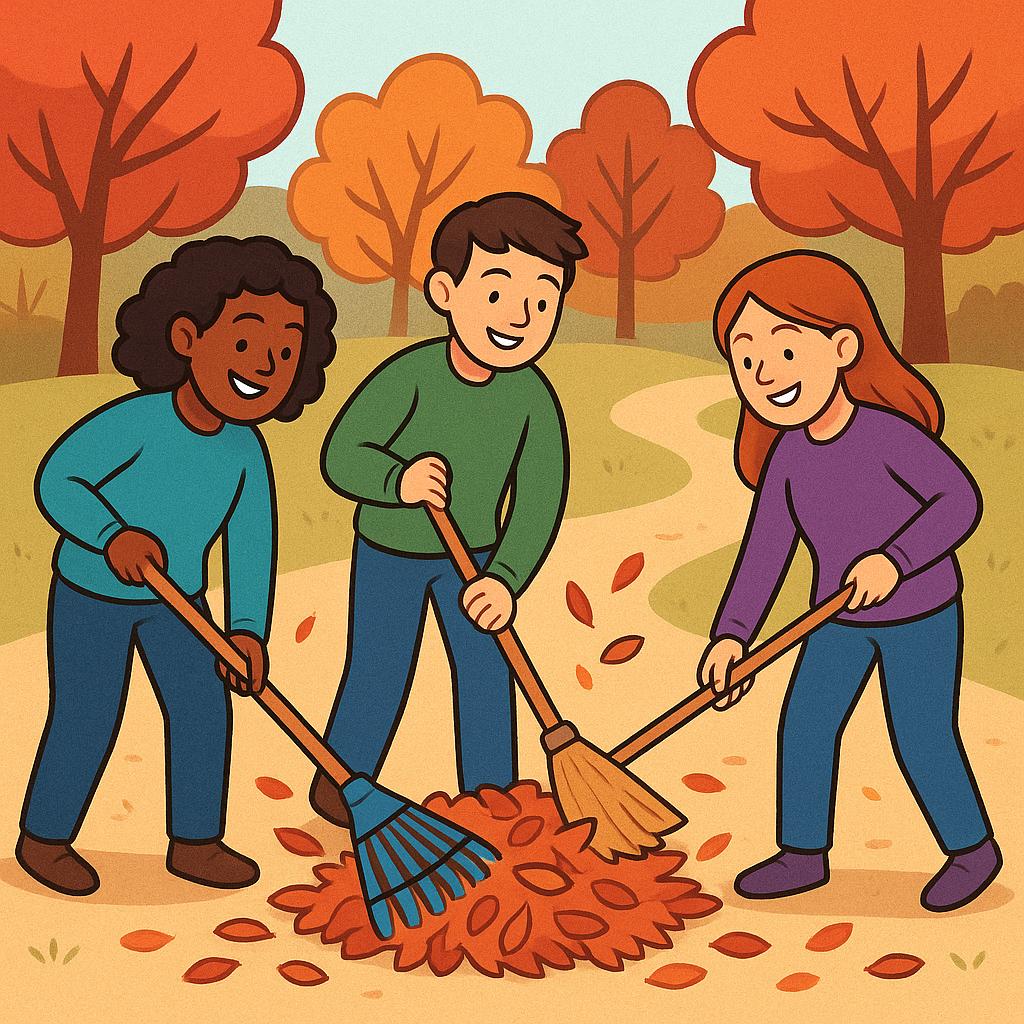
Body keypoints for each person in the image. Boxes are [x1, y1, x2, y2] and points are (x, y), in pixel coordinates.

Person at [18, 236, 337, 896]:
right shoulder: (138, 421)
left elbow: (252, 547)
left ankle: (196, 842)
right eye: (247, 343)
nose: (265, 365)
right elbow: (59, 479)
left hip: (181, 605)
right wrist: (111, 535)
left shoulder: (246, 453)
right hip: (91, 595)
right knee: (87, 712)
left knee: (202, 710)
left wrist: (247, 630)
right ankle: (44, 838)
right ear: (188, 336)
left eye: (285, 352)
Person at [699, 250, 999, 913]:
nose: (763, 373)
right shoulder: (786, 458)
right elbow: (764, 555)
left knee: (921, 735)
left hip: (920, 613)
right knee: (805, 724)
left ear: (841, 347)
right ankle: (802, 854)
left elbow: (958, 502)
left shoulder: (887, 436)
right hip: (836, 620)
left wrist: (895, 558)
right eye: (746, 360)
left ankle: (972, 848)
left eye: (784, 349)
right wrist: (731, 636)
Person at [310, 192, 585, 825]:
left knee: (488, 673)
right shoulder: (409, 375)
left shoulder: (533, 400)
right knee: (378, 668)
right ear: (445, 292)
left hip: (477, 562)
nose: (520, 317)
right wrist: (395, 479)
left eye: (543, 301)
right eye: (497, 293)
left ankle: (493, 798)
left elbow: (540, 501)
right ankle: (342, 779)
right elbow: (342, 456)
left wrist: (507, 579)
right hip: (389, 552)